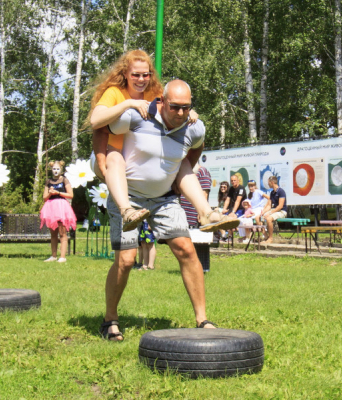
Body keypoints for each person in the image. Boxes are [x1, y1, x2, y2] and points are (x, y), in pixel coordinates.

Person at [100, 80, 216, 341]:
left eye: (186, 108)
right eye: (175, 107)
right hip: (128, 197)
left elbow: (195, 150)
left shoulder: (194, 129)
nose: (180, 113)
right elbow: (101, 128)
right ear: (162, 102)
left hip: (164, 199)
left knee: (186, 249)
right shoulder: (137, 117)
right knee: (127, 259)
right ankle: (110, 319)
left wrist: (178, 176)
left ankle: (203, 320)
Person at [89, 49, 237, 233]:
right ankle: (126, 210)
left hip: (135, 157)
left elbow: (171, 107)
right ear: (125, 74)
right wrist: (129, 104)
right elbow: (96, 123)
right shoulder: (115, 92)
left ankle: (206, 213)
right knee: (115, 158)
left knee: (181, 161)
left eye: (146, 75)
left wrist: (184, 112)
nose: (141, 79)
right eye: (135, 74)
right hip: (108, 153)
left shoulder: (154, 93)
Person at [40, 161, 76, 263]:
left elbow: (70, 195)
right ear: (51, 170)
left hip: (62, 208)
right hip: (51, 208)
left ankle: (63, 256)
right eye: (54, 169)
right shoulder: (48, 181)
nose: (56, 171)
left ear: (61, 170)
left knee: (62, 232)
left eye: (57, 169)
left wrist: (58, 193)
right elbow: (44, 198)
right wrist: (50, 193)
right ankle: (53, 255)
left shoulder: (64, 180)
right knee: (53, 233)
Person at [180, 161, 212, 228]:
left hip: (193, 216)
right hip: (183, 214)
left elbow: (204, 193)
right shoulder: (183, 171)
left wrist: (201, 212)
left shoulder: (202, 171)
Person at [258, 176, 287, 244]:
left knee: (269, 219)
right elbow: (269, 206)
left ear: (272, 182)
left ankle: (270, 239)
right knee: (259, 217)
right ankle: (266, 236)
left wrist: (270, 213)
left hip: (282, 211)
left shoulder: (281, 191)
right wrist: (263, 212)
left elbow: (280, 206)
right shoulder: (272, 193)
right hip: (274, 211)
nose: (268, 184)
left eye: (268, 183)